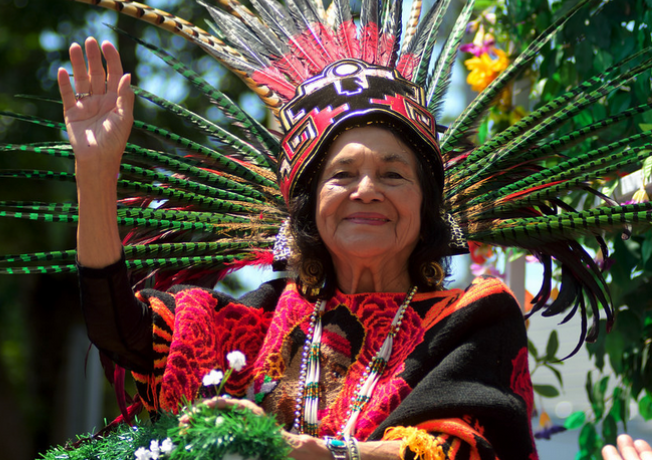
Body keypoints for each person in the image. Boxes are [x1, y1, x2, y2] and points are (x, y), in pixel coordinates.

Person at [60, 37, 538, 459]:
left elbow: (463, 451)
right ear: (308, 211)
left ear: (427, 208)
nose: (367, 190)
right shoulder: (263, 321)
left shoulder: (472, 319)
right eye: (342, 175)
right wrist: (96, 174)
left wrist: (327, 456)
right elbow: (122, 331)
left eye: (393, 174)